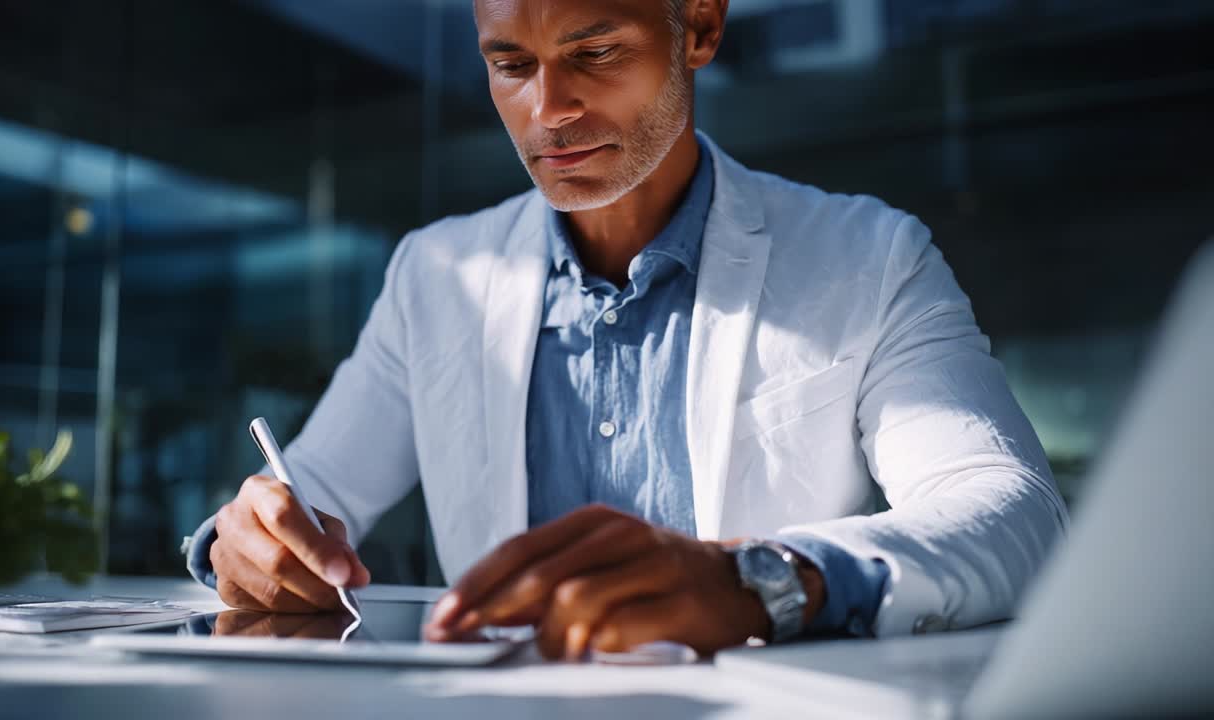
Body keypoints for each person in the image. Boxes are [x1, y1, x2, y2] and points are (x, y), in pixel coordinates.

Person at [185, 0, 1068, 660]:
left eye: (595, 52)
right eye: (510, 65)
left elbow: (1011, 514)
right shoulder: (436, 274)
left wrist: (756, 579)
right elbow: (308, 497)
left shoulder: (869, 257)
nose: (549, 110)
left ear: (701, 25)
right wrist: (253, 539)